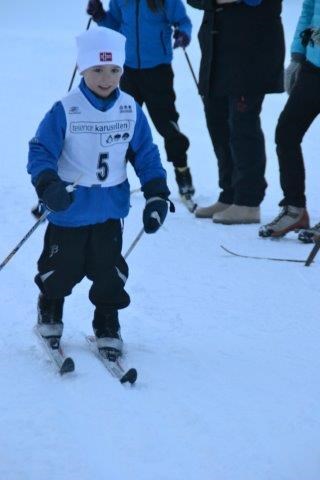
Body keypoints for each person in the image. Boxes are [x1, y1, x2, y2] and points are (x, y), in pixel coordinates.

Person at [27, 27, 171, 360]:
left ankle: (107, 319)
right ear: (82, 68)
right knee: (61, 268)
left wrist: (156, 194)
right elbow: (40, 151)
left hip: (110, 209)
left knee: (110, 271)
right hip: (70, 209)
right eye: (97, 70)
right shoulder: (66, 109)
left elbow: (146, 153)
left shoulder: (130, 108)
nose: (106, 78)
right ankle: (50, 306)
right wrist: (48, 184)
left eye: (114, 70)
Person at [86, 0, 196, 210]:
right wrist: (100, 16)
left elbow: (182, 20)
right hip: (126, 70)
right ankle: (112, 177)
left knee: (167, 124)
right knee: (121, 125)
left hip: (158, 71)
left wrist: (183, 33)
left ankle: (182, 172)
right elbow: (116, 24)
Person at [187, 0, 285, 224]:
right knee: (218, 124)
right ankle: (229, 194)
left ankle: (248, 201)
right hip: (216, 51)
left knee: (242, 126)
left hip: (249, 54)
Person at [259, 0, 320, 242]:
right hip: (313, 66)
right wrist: (298, 55)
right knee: (286, 133)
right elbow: (308, 10)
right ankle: (295, 209)